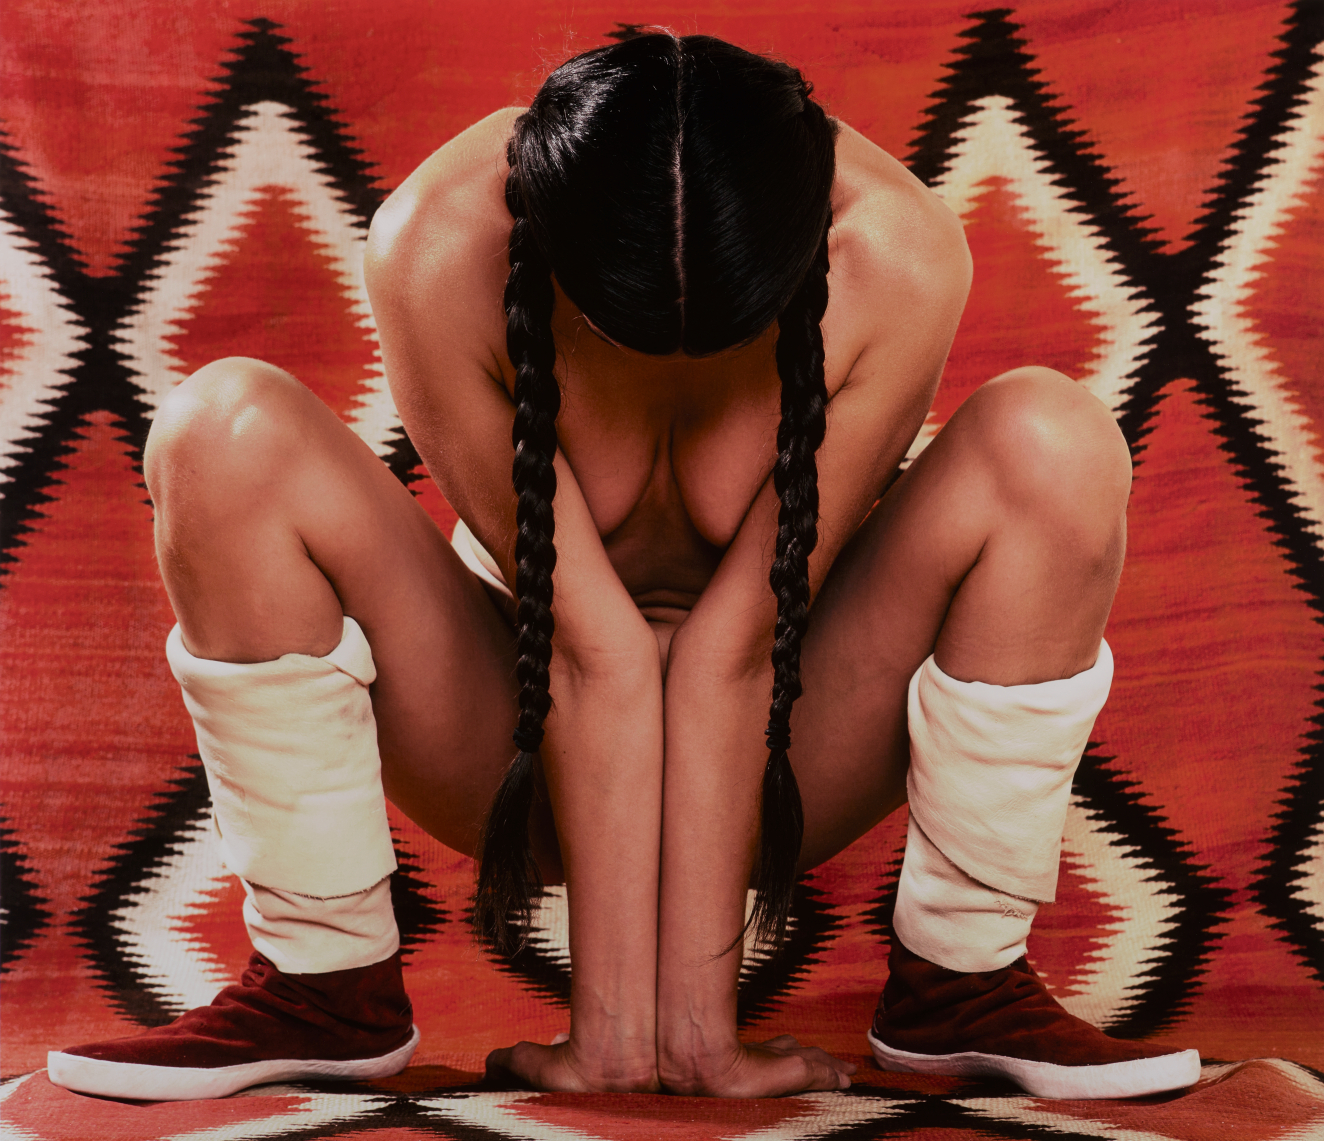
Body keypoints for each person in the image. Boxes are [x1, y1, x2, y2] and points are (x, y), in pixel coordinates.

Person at [47, 31, 1199, 1102]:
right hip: (518, 732)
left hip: (784, 745)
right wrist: (614, 1040)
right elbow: (589, 642)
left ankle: (959, 985)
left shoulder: (898, 253)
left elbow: (739, 639)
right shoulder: (434, 241)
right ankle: (325, 988)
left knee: (1053, 439)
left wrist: (694, 1041)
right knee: (218, 426)